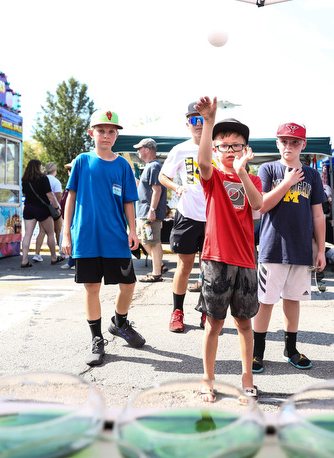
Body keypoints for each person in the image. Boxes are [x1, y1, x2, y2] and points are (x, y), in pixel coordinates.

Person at [60, 109, 145, 367]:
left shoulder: (123, 165)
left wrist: (133, 230)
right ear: (91, 133)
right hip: (85, 236)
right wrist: (66, 232)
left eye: (111, 131)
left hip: (116, 235)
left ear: (117, 135)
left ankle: (119, 322)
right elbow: (71, 197)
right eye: (101, 130)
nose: (106, 135)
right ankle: (96, 339)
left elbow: (129, 201)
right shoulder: (82, 161)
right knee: (92, 287)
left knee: (128, 284)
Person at [192, 97, 263, 403]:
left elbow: (258, 204)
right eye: (224, 146)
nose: (230, 150)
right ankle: (207, 379)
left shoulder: (253, 177)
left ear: (246, 149)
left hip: (246, 259)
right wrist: (209, 121)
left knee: (244, 323)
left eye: (237, 145)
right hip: (216, 258)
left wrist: (244, 171)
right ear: (217, 149)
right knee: (214, 323)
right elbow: (204, 163)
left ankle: (247, 377)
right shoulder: (213, 177)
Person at [252, 122, 326, 374]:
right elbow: (260, 206)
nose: (289, 146)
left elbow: (318, 216)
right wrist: (286, 182)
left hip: (301, 249)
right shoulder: (268, 169)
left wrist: (321, 250)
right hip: (272, 247)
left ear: (303, 145)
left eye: (295, 142)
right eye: (284, 141)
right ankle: (257, 352)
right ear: (277, 143)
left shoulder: (313, 176)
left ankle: (290, 349)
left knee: (293, 300)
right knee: (265, 301)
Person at [159, 102, 210, 332]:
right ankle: (177, 312)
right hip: (187, 215)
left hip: (213, 217)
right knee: (185, 265)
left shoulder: (217, 148)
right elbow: (163, 176)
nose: (198, 124)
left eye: (203, 119)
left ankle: (207, 312)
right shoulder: (180, 150)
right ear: (187, 123)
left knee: (209, 267)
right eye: (194, 120)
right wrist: (176, 188)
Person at [133, 138, 168, 282]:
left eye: (139, 148)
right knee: (145, 240)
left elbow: (157, 190)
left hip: (148, 212)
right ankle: (159, 266)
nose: (138, 151)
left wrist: (152, 210)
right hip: (144, 212)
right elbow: (146, 187)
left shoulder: (154, 167)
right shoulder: (150, 166)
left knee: (153, 242)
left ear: (147, 149)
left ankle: (156, 272)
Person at [20, 159, 63, 268]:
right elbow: (49, 195)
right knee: (49, 233)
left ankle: (24, 260)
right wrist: (57, 208)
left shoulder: (25, 180)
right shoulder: (43, 179)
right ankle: (54, 257)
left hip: (29, 208)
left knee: (27, 235)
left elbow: (24, 194)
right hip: (42, 209)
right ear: (38, 167)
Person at [33, 162, 65, 263]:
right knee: (57, 232)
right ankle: (61, 253)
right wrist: (57, 207)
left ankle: (37, 254)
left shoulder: (40, 180)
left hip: (43, 209)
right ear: (54, 171)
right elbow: (59, 196)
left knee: (42, 232)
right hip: (54, 210)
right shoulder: (56, 181)